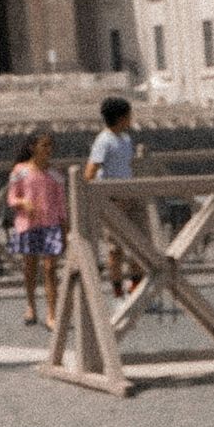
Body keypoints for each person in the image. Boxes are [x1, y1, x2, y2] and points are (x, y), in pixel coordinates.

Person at [6, 131, 65, 330]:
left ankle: (52, 313)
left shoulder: (56, 174)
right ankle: (31, 305)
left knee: (50, 269)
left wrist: (65, 228)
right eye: (44, 145)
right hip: (28, 224)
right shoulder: (20, 171)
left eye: (50, 146)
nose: (49, 150)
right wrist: (23, 202)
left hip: (51, 225)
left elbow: (61, 204)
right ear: (33, 147)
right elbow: (12, 198)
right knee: (30, 268)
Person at [84, 95, 137, 296]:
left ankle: (135, 286)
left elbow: (126, 166)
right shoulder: (103, 140)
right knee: (115, 247)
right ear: (121, 117)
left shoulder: (126, 139)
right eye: (129, 115)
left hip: (129, 195)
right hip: (113, 200)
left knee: (136, 243)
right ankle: (117, 290)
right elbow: (90, 171)